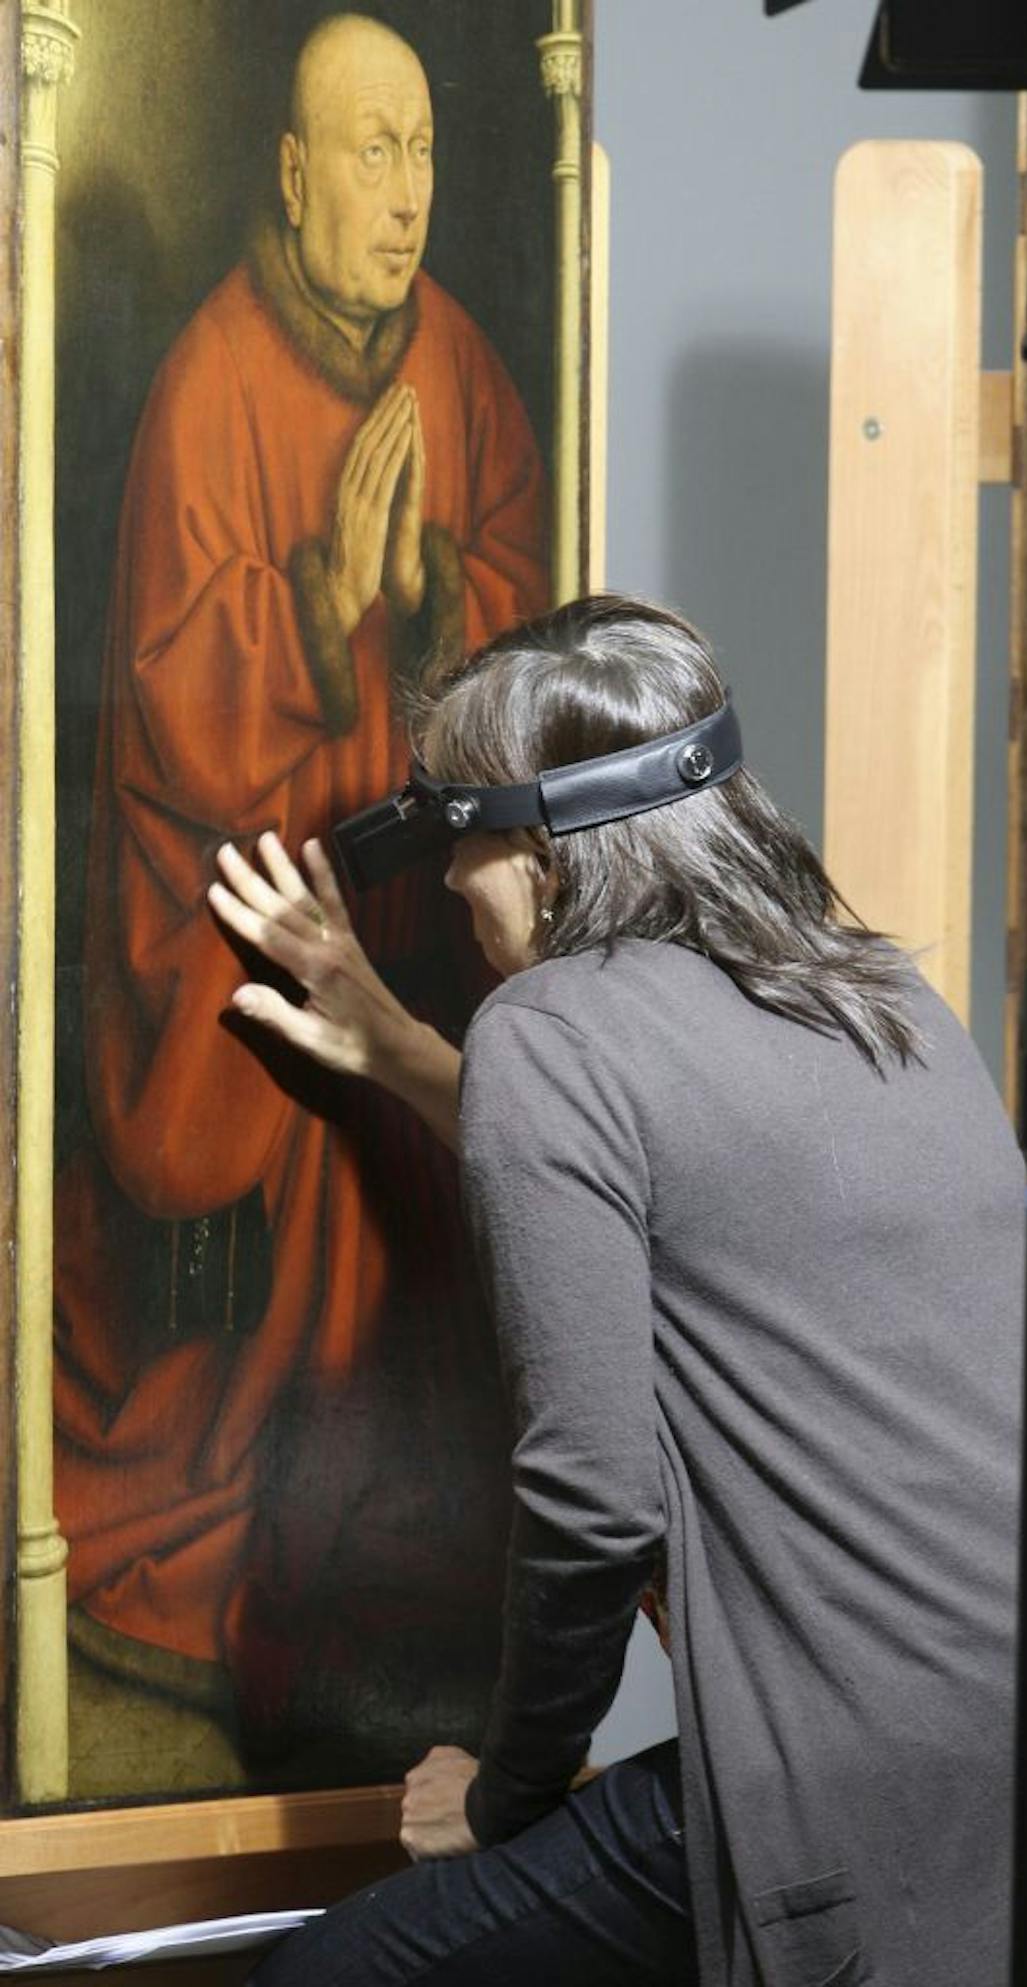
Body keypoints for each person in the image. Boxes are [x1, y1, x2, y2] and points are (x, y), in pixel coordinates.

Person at [210, 595, 1027, 1986]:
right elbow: (668, 1176)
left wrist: (507, 1795)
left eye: (458, 847)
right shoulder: (882, 996)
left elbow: (593, 1496)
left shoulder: (549, 1032)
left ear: (539, 850)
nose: (455, 892)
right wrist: (404, 1046)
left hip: (916, 1767)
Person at [55, 11, 545, 1765]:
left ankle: (408, 1536)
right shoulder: (211, 375)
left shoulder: (466, 369)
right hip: (240, 886)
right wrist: (322, 583)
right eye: (369, 150)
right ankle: (252, 1513)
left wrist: (423, 600)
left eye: (422, 151)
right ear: (290, 169)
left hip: (410, 890)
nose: (405, 194)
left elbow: (522, 644)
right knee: (277, 1029)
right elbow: (168, 715)